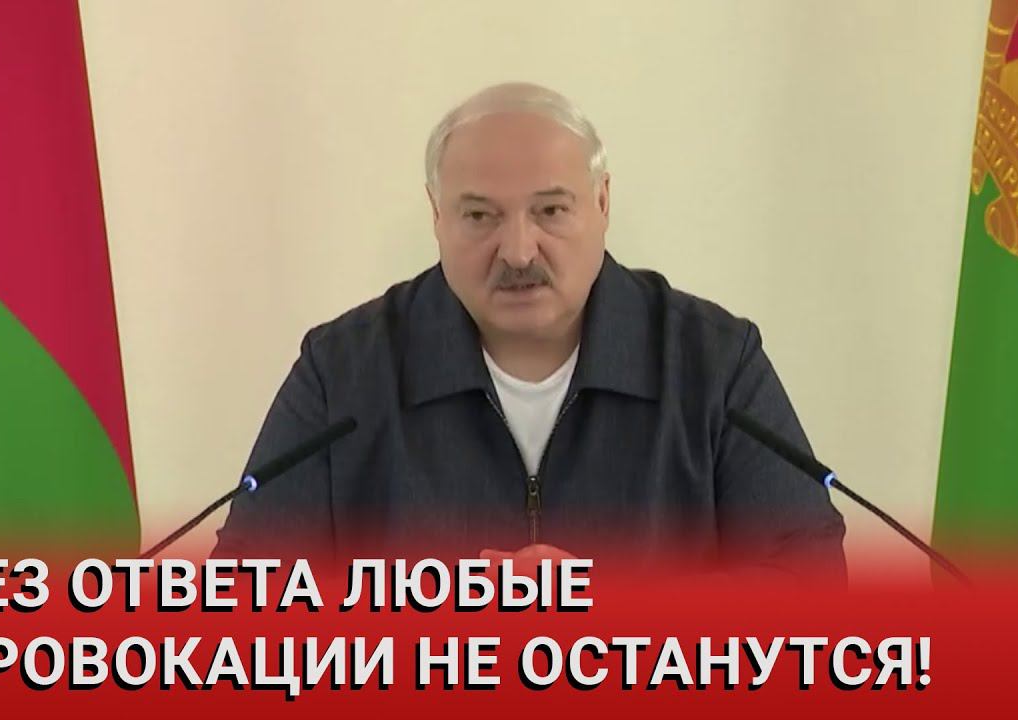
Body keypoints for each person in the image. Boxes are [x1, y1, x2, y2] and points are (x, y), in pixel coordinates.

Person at [213, 82, 846, 584]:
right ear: (436, 215)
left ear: (602, 203)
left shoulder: (713, 363)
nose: (518, 251)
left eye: (550, 210)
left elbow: (811, 582)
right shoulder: (342, 373)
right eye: (479, 215)